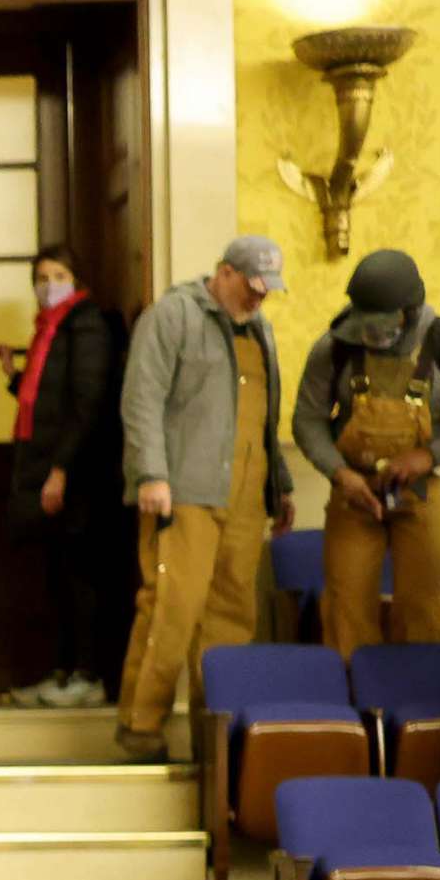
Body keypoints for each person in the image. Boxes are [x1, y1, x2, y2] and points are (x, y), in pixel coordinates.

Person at [112, 237, 297, 762]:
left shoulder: (261, 329)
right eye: (254, 288)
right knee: (172, 608)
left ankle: (212, 738)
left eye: (268, 291)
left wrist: (278, 483)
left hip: (246, 495)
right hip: (183, 490)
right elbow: (141, 399)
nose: (260, 300)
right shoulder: (172, 315)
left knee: (233, 616)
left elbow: (265, 416)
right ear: (225, 273)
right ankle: (140, 727)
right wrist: (151, 473)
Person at [293, 248, 440, 657]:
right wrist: (340, 474)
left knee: (424, 601)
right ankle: (358, 707)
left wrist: (430, 454)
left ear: (409, 312)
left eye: (381, 326)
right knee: (345, 600)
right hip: (355, 490)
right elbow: (307, 419)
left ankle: (421, 704)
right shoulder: (334, 347)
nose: (370, 337)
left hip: (429, 488)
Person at [0, 246, 125, 707]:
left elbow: (85, 403)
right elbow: (45, 399)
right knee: (57, 574)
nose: (50, 284)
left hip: (76, 473)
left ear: (77, 279)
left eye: (60, 274)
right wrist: (14, 376)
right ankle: (63, 671)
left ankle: (86, 674)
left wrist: (61, 470)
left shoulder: (85, 325)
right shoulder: (50, 329)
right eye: (42, 276)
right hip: (49, 467)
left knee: (79, 573)